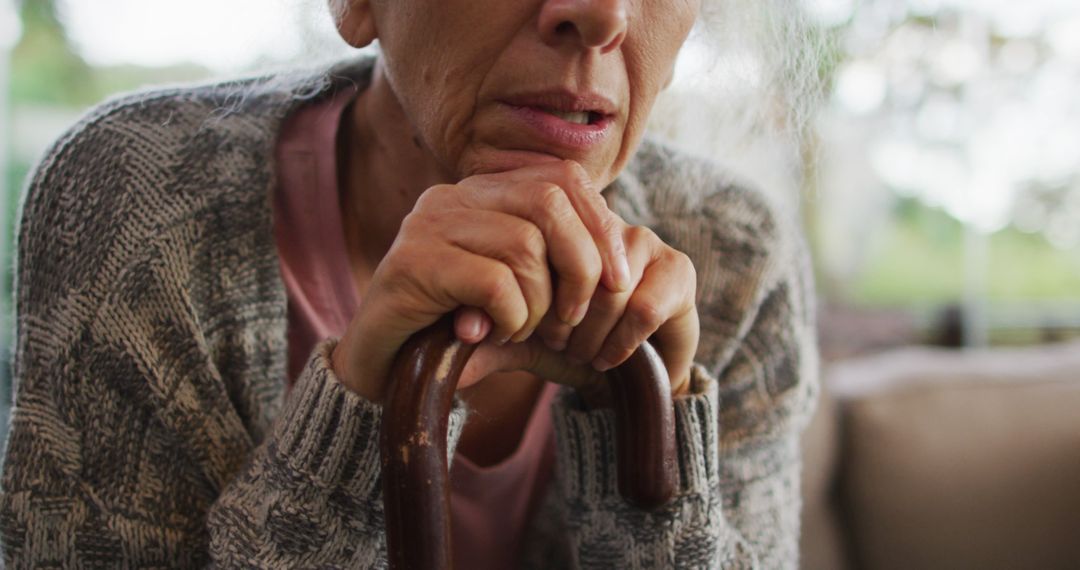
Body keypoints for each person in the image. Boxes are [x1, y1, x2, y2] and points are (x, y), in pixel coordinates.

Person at [0, 0, 818, 567]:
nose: (601, 14)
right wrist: (357, 411)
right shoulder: (141, 202)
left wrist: (652, 443)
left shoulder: (733, 253)